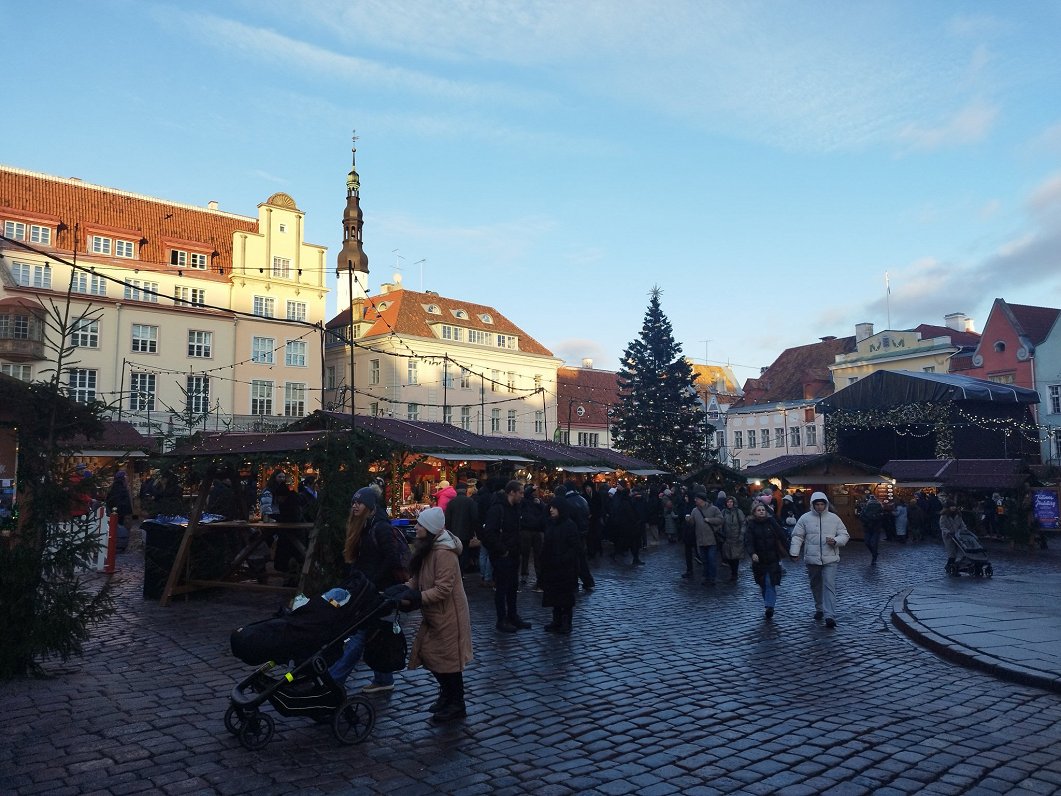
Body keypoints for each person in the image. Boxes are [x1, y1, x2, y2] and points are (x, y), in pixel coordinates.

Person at [394, 506, 472, 723]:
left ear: (429, 529)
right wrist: (402, 590)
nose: (416, 527)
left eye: (420, 524)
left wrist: (417, 598)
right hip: (435, 615)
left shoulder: (444, 553)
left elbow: (443, 589)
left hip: (449, 615)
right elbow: (417, 579)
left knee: (448, 662)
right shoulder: (427, 548)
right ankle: (447, 695)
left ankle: (456, 703)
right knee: (431, 654)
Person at [328, 486, 403, 693]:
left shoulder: (381, 527)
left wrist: (373, 582)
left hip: (378, 591)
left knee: (359, 636)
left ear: (370, 506)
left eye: (359, 503)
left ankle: (334, 680)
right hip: (365, 589)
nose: (355, 506)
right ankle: (384, 678)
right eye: (353, 502)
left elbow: (392, 558)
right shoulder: (363, 526)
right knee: (374, 634)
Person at [790, 491, 850, 629]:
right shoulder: (805, 518)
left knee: (829, 585)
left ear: (826, 504)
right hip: (812, 558)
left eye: (822, 504)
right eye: (817, 504)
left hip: (830, 558)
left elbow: (844, 534)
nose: (819, 507)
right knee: (815, 584)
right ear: (813, 504)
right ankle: (819, 608)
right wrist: (794, 552)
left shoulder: (834, 518)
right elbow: (797, 536)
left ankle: (830, 615)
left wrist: (836, 541)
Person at [480, 480, 531, 633]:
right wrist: (502, 550)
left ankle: (512, 616)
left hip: (514, 553)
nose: (522, 495)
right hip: (502, 556)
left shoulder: (515, 508)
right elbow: (488, 534)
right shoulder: (497, 509)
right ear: (512, 492)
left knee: (513, 587)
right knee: (502, 588)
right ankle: (501, 619)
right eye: (520, 492)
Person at [539, 495, 581, 634]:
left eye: (554, 507)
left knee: (565, 597)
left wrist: (563, 559)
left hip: (565, 567)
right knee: (554, 596)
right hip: (552, 566)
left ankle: (566, 622)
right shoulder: (551, 524)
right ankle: (556, 621)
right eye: (550, 507)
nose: (551, 510)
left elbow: (574, 547)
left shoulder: (570, 525)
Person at [744, 502, 789, 619]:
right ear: (754, 512)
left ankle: (770, 606)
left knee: (770, 582)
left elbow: (781, 536)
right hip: (759, 560)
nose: (761, 512)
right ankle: (768, 602)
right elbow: (748, 541)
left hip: (773, 558)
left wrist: (790, 551)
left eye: (763, 510)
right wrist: (752, 553)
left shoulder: (771, 522)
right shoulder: (751, 525)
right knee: (763, 583)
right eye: (759, 510)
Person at [559, 480, 595, 590]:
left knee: (574, 560)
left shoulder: (567, 501)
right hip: (583, 532)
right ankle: (587, 581)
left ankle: (574, 582)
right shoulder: (582, 499)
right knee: (581, 558)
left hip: (573, 534)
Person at [689, 489, 723, 585]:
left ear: (702, 500)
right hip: (700, 540)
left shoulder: (714, 509)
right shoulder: (694, 510)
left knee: (711, 560)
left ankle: (712, 578)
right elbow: (692, 524)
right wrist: (689, 520)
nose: (695, 500)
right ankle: (706, 577)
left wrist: (710, 520)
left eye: (697, 499)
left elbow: (721, 520)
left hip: (711, 540)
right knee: (704, 561)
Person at [444, 482, 479, 573]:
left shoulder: (451, 503)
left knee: (456, 553)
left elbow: (447, 519)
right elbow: (475, 518)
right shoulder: (470, 502)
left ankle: (457, 571)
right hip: (467, 532)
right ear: (466, 491)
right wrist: (473, 531)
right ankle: (462, 571)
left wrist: (449, 531)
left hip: (454, 532)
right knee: (465, 552)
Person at [608, 480, 643, 566]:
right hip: (627, 526)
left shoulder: (623, 500)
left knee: (626, 543)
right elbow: (630, 513)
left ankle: (619, 555)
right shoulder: (625, 501)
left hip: (625, 526)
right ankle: (619, 555)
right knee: (629, 543)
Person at [518, 484, 546, 589]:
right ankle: (524, 574)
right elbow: (525, 494)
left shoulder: (538, 502)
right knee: (525, 554)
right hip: (526, 530)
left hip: (537, 531)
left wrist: (540, 504)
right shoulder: (524, 501)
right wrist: (531, 488)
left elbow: (545, 510)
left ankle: (538, 575)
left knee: (537, 555)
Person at [718, 495, 746, 581]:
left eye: (731, 502)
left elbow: (743, 523)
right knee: (728, 557)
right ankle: (733, 572)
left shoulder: (738, 512)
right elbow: (720, 523)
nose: (729, 503)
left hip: (736, 538)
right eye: (728, 502)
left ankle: (734, 574)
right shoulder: (723, 512)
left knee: (735, 557)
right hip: (726, 538)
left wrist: (741, 535)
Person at [940, 501, 968, 576]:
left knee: (958, 550)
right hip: (948, 536)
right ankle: (951, 567)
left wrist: (964, 530)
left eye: (954, 506)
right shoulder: (944, 516)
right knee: (951, 552)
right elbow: (942, 526)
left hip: (957, 535)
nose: (953, 508)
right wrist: (947, 532)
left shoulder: (958, 515)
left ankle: (951, 565)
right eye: (952, 506)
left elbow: (962, 524)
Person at [858, 492, 884, 565]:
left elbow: (861, 516)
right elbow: (882, 517)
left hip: (869, 528)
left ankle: (874, 555)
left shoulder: (866, 507)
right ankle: (874, 555)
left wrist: (866, 521)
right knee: (873, 543)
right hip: (874, 528)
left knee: (868, 542)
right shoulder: (879, 506)